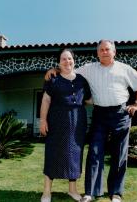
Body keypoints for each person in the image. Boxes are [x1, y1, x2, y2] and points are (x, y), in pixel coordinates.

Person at [45, 40, 137, 202]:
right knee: (94, 152)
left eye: (108, 49)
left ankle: (116, 193)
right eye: (101, 50)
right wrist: (55, 69)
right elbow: (69, 69)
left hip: (120, 114)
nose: (104, 52)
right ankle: (90, 192)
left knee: (119, 154)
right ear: (97, 53)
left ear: (114, 52)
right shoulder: (89, 69)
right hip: (100, 114)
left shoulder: (125, 69)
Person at [40, 49, 91, 202]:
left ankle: (72, 190)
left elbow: (88, 100)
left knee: (75, 155)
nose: (67, 61)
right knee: (52, 153)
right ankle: (47, 191)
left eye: (70, 58)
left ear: (74, 61)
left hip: (78, 122)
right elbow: (46, 100)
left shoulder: (82, 79)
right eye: (63, 59)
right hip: (57, 120)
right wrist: (43, 120)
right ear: (59, 62)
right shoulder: (53, 79)